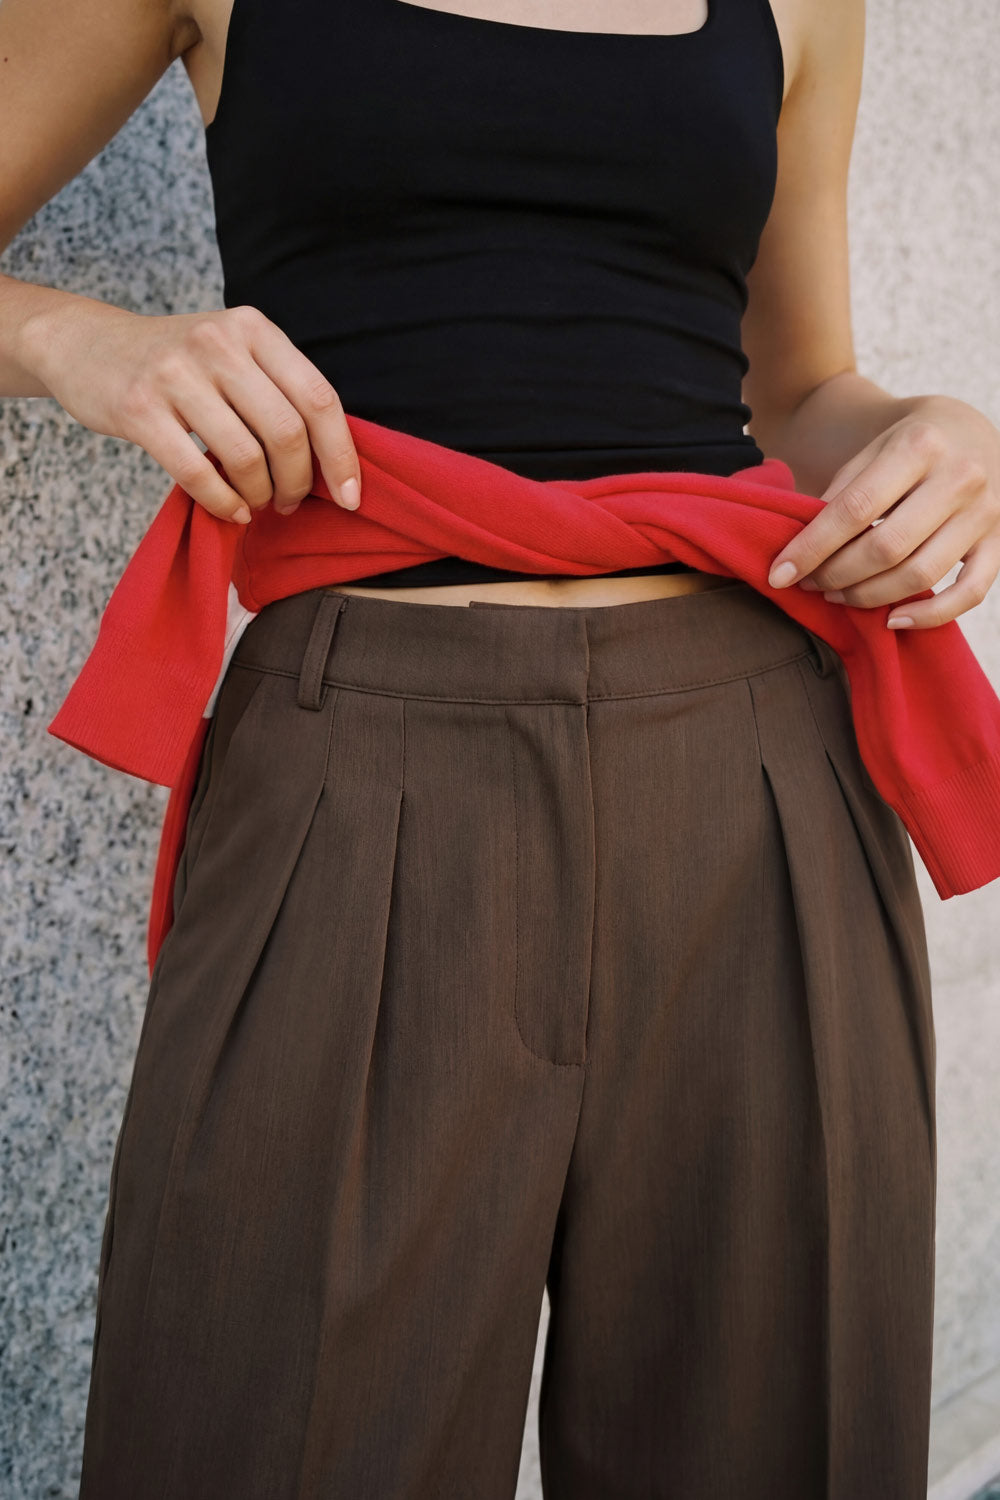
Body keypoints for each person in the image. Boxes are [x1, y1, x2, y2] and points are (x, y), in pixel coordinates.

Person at [2, 0, 998, 1495]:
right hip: (361, 762)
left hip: (757, 772)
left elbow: (798, 391)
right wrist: (79, 339)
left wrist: (944, 434)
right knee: (261, 1428)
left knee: (779, 1433)